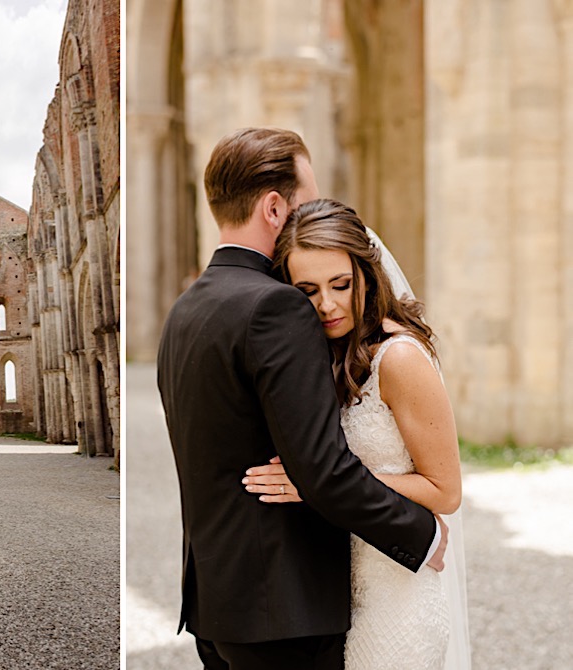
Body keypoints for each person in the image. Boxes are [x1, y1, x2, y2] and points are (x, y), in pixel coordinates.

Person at [156, 127, 448, 670]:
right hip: (285, 612)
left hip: (214, 605)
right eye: (306, 201)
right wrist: (422, 534)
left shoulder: (183, 312)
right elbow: (322, 469)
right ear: (273, 207)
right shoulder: (276, 307)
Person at [242, 198, 469, 669]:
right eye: (307, 290)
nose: (327, 304)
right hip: (336, 594)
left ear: (366, 274)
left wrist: (316, 484)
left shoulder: (400, 359)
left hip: (397, 596)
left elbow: (445, 491)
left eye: (340, 285)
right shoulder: (318, 357)